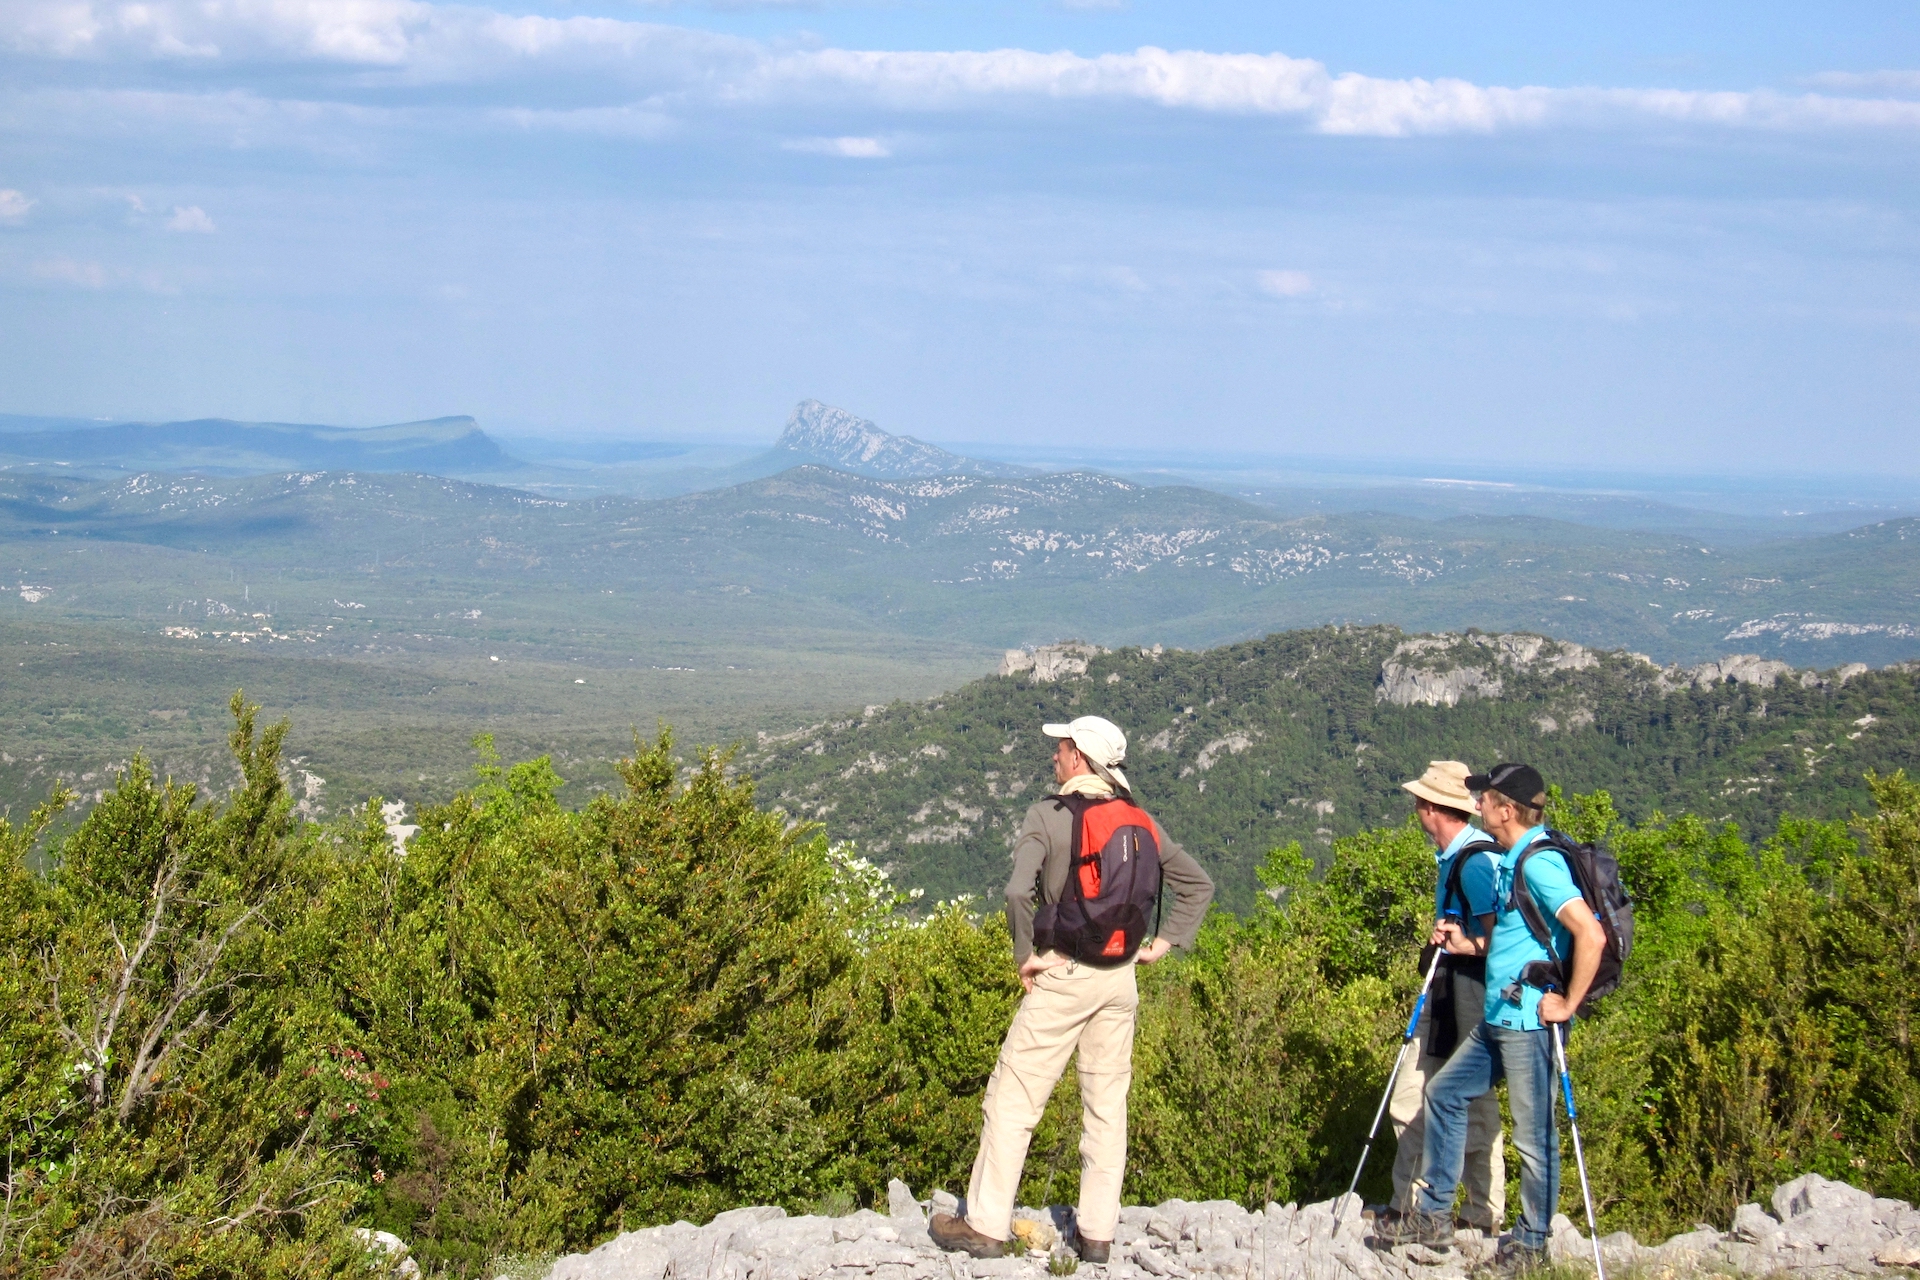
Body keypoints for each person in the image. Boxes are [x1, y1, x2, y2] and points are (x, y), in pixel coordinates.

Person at [929, 715, 1215, 1264]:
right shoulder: (1140, 820)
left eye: (1060, 749)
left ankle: (986, 1225)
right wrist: (1165, 942)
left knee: (1013, 1098)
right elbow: (1198, 884)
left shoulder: (1048, 814)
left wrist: (1025, 959)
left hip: (1063, 974)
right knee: (1106, 1107)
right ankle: (1097, 1235)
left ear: (1079, 757)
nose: (1054, 757)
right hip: (1120, 980)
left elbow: (1017, 893)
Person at [1374, 763, 1606, 1275]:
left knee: (1533, 1135)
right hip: (1499, 1014)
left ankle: (1532, 1240)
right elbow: (1506, 937)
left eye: (1484, 799)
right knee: (1445, 1093)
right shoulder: (1511, 858)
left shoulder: (1539, 865)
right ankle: (1435, 1214)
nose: (1475, 805)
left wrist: (1566, 1004)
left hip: (1528, 1020)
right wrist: (1466, 943)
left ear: (1506, 810)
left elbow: (1590, 935)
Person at [1379, 762, 1505, 1234]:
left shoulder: (1475, 864)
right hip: (1449, 990)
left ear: (1434, 809)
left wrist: (1462, 944)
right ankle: (1414, 1204)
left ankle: (1477, 1213)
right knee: (1419, 1099)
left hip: (1469, 993)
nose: (1415, 808)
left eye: (1420, 802)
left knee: (1469, 1104)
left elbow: (1506, 940)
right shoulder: (1458, 856)